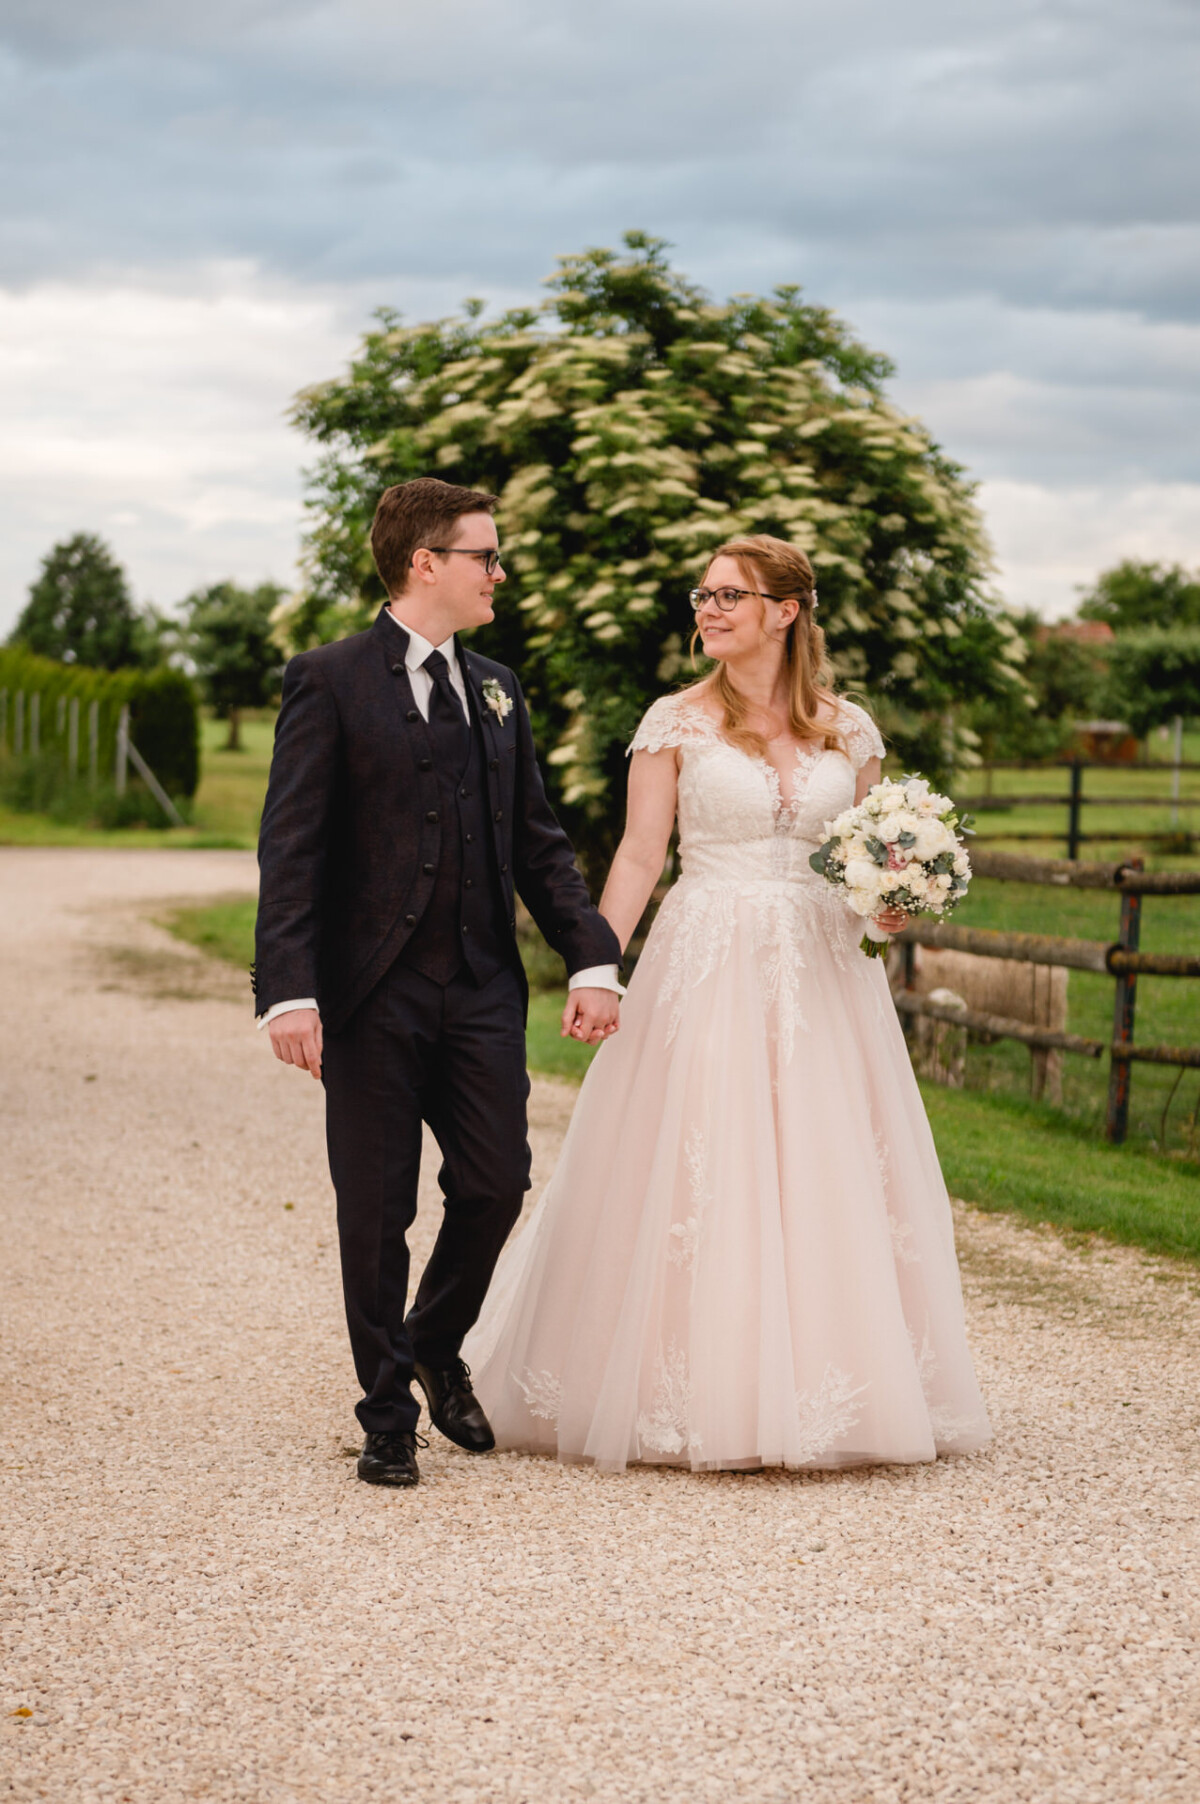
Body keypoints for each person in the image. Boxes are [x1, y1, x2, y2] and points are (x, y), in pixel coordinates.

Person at [464, 534, 991, 1471]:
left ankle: (831, 1391)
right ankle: (685, 1390)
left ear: (785, 611)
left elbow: (867, 851)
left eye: (728, 596)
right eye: (701, 596)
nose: (706, 610)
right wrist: (598, 964)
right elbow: (637, 856)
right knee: (704, 1162)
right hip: (708, 959)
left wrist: (895, 897)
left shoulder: (850, 730)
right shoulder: (674, 722)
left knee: (826, 1161)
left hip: (828, 971)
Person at [253, 478, 622, 1488]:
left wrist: (591, 954)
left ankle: (432, 1336)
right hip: (371, 994)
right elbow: (291, 849)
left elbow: (539, 844)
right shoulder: (327, 681)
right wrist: (290, 990)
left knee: (496, 1182)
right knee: (376, 1208)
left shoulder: (497, 685)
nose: (499, 572)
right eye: (485, 556)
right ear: (429, 564)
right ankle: (385, 1414)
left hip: (482, 988)